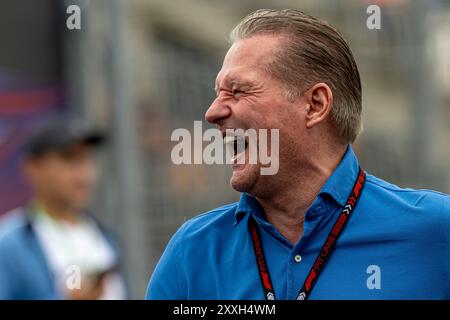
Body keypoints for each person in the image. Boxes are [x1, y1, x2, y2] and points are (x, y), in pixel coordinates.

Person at [146, 9, 450, 300]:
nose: (212, 112)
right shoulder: (194, 251)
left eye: (238, 91)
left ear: (315, 105)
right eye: (218, 93)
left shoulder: (437, 231)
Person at [0, 117, 127, 300]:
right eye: (69, 159)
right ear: (33, 168)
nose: (84, 175)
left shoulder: (107, 236)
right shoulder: (10, 244)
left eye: (88, 160)